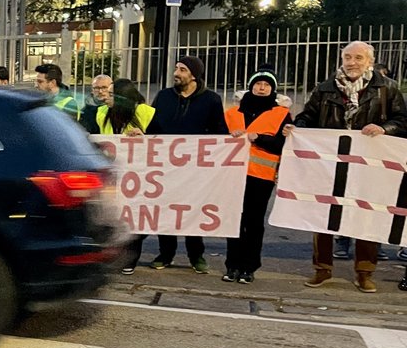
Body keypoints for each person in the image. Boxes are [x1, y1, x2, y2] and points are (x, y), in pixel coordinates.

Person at [287, 41, 407, 293]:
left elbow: (402, 120)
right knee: (325, 216)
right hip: (330, 164)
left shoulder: (387, 88)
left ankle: (365, 272)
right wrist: (298, 127)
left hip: (369, 166)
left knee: (366, 215)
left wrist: (384, 129)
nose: (352, 62)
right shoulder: (325, 88)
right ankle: (322, 269)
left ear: (370, 61)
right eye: (347, 57)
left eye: (358, 58)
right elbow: (308, 115)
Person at [148, 55, 228, 274]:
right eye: (176, 68)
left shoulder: (211, 100)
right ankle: (166, 253)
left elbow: (219, 132)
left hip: (195, 169)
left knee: (193, 210)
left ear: (194, 75)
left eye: (182, 69)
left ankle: (196, 255)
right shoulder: (164, 97)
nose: (176, 73)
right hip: (166, 166)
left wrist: (232, 141)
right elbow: (153, 128)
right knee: (166, 210)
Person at [221, 66, 293, 284]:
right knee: (234, 219)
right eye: (258, 84)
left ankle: (249, 267)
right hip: (232, 175)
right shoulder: (231, 113)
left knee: (253, 221)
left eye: (267, 85)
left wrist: (258, 138)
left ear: (273, 89)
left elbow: (284, 143)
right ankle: (232, 265)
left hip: (261, 176)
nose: (262, 88)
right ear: (251, 87)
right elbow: (215, 140)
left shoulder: (281, 114)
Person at [96, 79, 158, 275]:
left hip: (140, 173)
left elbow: (164, 141)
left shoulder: (146, 113)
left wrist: (145, 136)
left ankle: (131, 256)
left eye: (112, 93)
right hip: (114, 172)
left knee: (136, 215)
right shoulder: (102, 113)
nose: (106, 96)